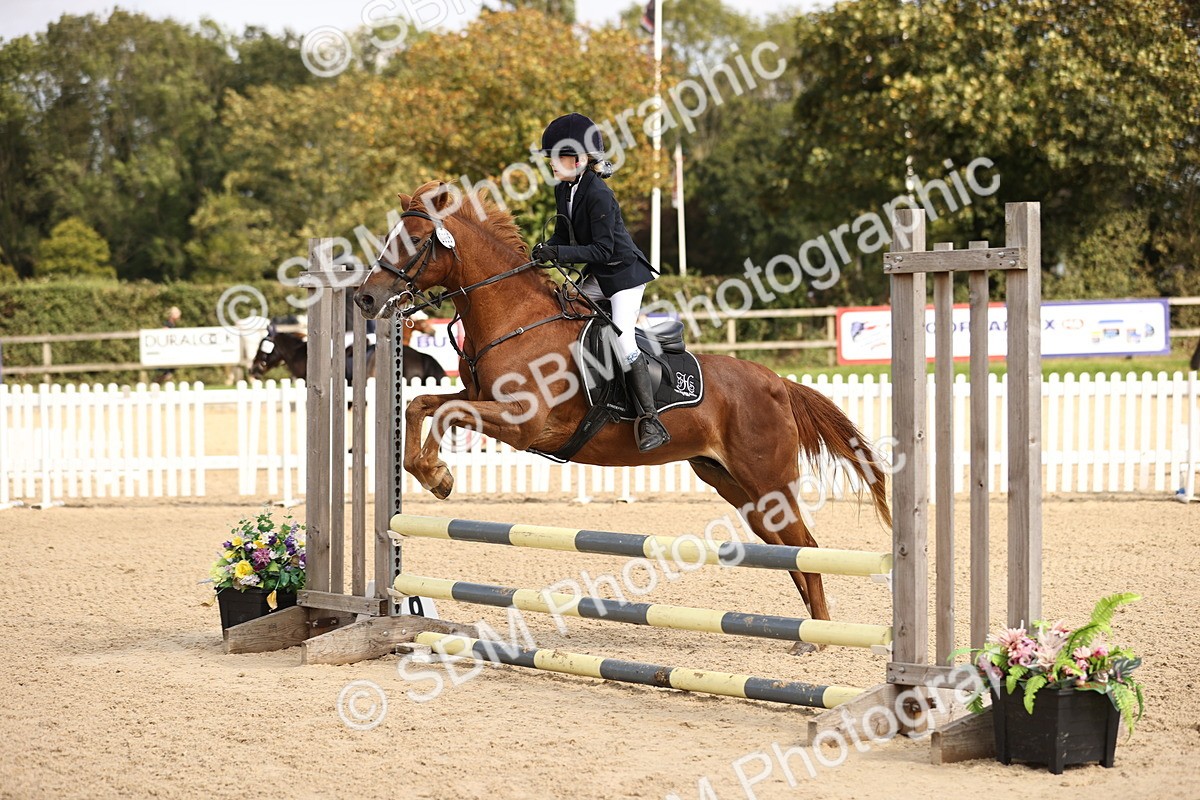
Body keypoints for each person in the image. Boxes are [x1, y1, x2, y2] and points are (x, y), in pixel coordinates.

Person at [531, 112, 669, 452]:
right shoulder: (564, 190)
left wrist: (558, 252)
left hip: (623, 275)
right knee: (562, 310)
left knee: (623, 340)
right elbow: (565, 234)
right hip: (599, 274)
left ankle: (651, 420)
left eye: (555, 157)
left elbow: (602, 249)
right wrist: (546, 249)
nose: (550, 163)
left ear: (577, 160)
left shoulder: (599, 194)